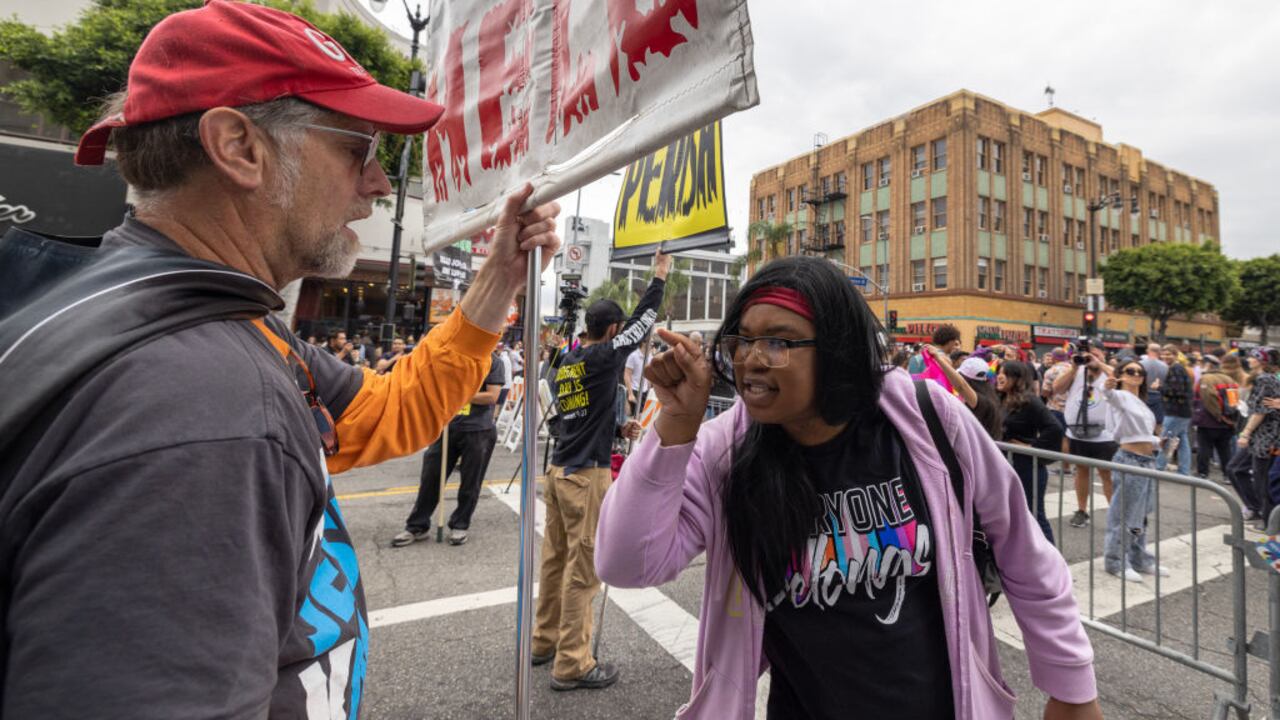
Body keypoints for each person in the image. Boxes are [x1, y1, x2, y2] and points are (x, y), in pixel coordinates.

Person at [0, 2, 562, 716]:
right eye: (357, 148)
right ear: (238, 147)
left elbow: (391, 412)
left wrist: (498, 279)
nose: (380, 183)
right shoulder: (206, 408)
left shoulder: (194, 313)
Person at [595, 256, 1100, 719]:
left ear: (837, 349)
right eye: (743, 340)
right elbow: (626, 564)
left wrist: (1072, 687)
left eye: (778, 341)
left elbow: (1024, 551)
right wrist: (675, 427)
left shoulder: (928, 419)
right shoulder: (725, 450)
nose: (751, 359)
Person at [531, 249, 670, 691]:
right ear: (611, 331)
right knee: (583, 570)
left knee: (554, 561)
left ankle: (544, 640)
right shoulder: (602, 358)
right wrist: (659, 279)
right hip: (585, 477)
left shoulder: (569, 362)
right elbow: (642, 325)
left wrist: (615, 427)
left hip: (557, 472)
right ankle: (572, 662)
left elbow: (572, 411)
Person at [393, 350, 506, 546]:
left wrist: (461, 396)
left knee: (470, 482)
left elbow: (492, 396)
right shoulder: (453, 359)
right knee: (431, 478)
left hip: (478, 429)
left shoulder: (493, 361)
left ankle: (460, 524)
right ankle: (417, 526)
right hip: (446, 427)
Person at [1101, 359, 1169, 582]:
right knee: (1123, 515)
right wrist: (1108, 385)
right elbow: (1109, 394)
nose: (1136, 374)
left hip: (1147, 461)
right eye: (1130, 371)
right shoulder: (1120, 397)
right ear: (1121, 375)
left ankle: (1138, 557)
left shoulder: (1140, 402)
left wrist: (1159, 442)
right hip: (1130, 461)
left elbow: (1142, 434)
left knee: (1140, 517)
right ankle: (1115, 561)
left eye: (1140, 372)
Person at [998, 360, 1064, 543]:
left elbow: (1054, 428)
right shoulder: (1002, 399)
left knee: (1035, 515)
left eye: (1005, 373)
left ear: (1017, 378)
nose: (999, 376)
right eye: (999, 372)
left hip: (1028, 468)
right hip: (1008, 466)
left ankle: (1053, 565)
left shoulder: (1030, 401)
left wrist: (1032, 448)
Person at [1054, 344, 1116, 528]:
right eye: (1087, 355)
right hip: (1077, 433)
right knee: (1081, 470)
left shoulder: (1109, 372)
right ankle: (1081, 511)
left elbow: (1120, 380)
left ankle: (1115, 515)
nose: (1090, 358)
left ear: (1103, 355)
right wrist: (1073, 367)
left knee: (1107, 474)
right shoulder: (1077, 371)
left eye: (1095, 354)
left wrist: (1099, 363)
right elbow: (1057, 388)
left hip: (1105, 435)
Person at [1195, 356, 1256, 514]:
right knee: (1225, 450)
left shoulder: (1207, 379)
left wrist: (1218, 415)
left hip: (1209, 421)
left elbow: (1209, 399)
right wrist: (1230, 418)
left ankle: (1203, 473)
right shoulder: (1230, 380)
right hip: (1227, 423)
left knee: (1205, 447)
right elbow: (1235, 402)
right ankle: (1226, 475)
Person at [1237, 348, 1280, 524]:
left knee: (1266, 480)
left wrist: (1245, 433)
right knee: (1266, 479)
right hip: (1266, 436)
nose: (1249, 359)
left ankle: (1269, 521)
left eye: (1253, 357)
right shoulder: (1265, 378)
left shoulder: (1265, 379)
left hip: (1267, 437)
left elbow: (1261, 410)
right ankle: (1265, 517)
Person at [1157, 346, 1194, 476]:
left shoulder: (1175, 369)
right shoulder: (1179, 368)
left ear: (1175, 354)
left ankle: (1158, 467)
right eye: (1163, 354)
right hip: (1184, 411)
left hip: (1176, 411)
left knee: (1165, 439)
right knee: (1183, 441)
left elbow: (1176, 391)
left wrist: (1159, 387)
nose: (1165, 357)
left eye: (1168, 354)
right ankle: (1184, 470)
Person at [1139, 342, 1168, 433]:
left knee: (1142, 423)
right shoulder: (1166, 366)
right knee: (1158, 424)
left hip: (1143, 396)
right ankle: (1158, 445)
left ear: (1148, 350)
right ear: (1159, 352)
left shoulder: (1140, 364)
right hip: (1159, 397)